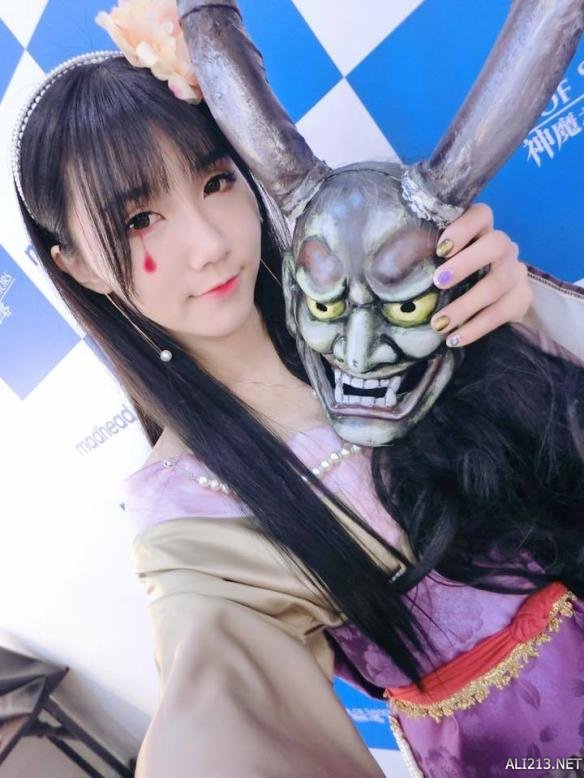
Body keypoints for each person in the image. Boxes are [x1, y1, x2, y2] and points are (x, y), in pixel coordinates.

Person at [11, 41, 584, 778]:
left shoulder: (378, 300)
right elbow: (213, 694)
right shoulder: (187, 514)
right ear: (79, 266)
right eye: (140, 220)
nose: (209, 243)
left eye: (216, 180)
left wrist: (522, 312)